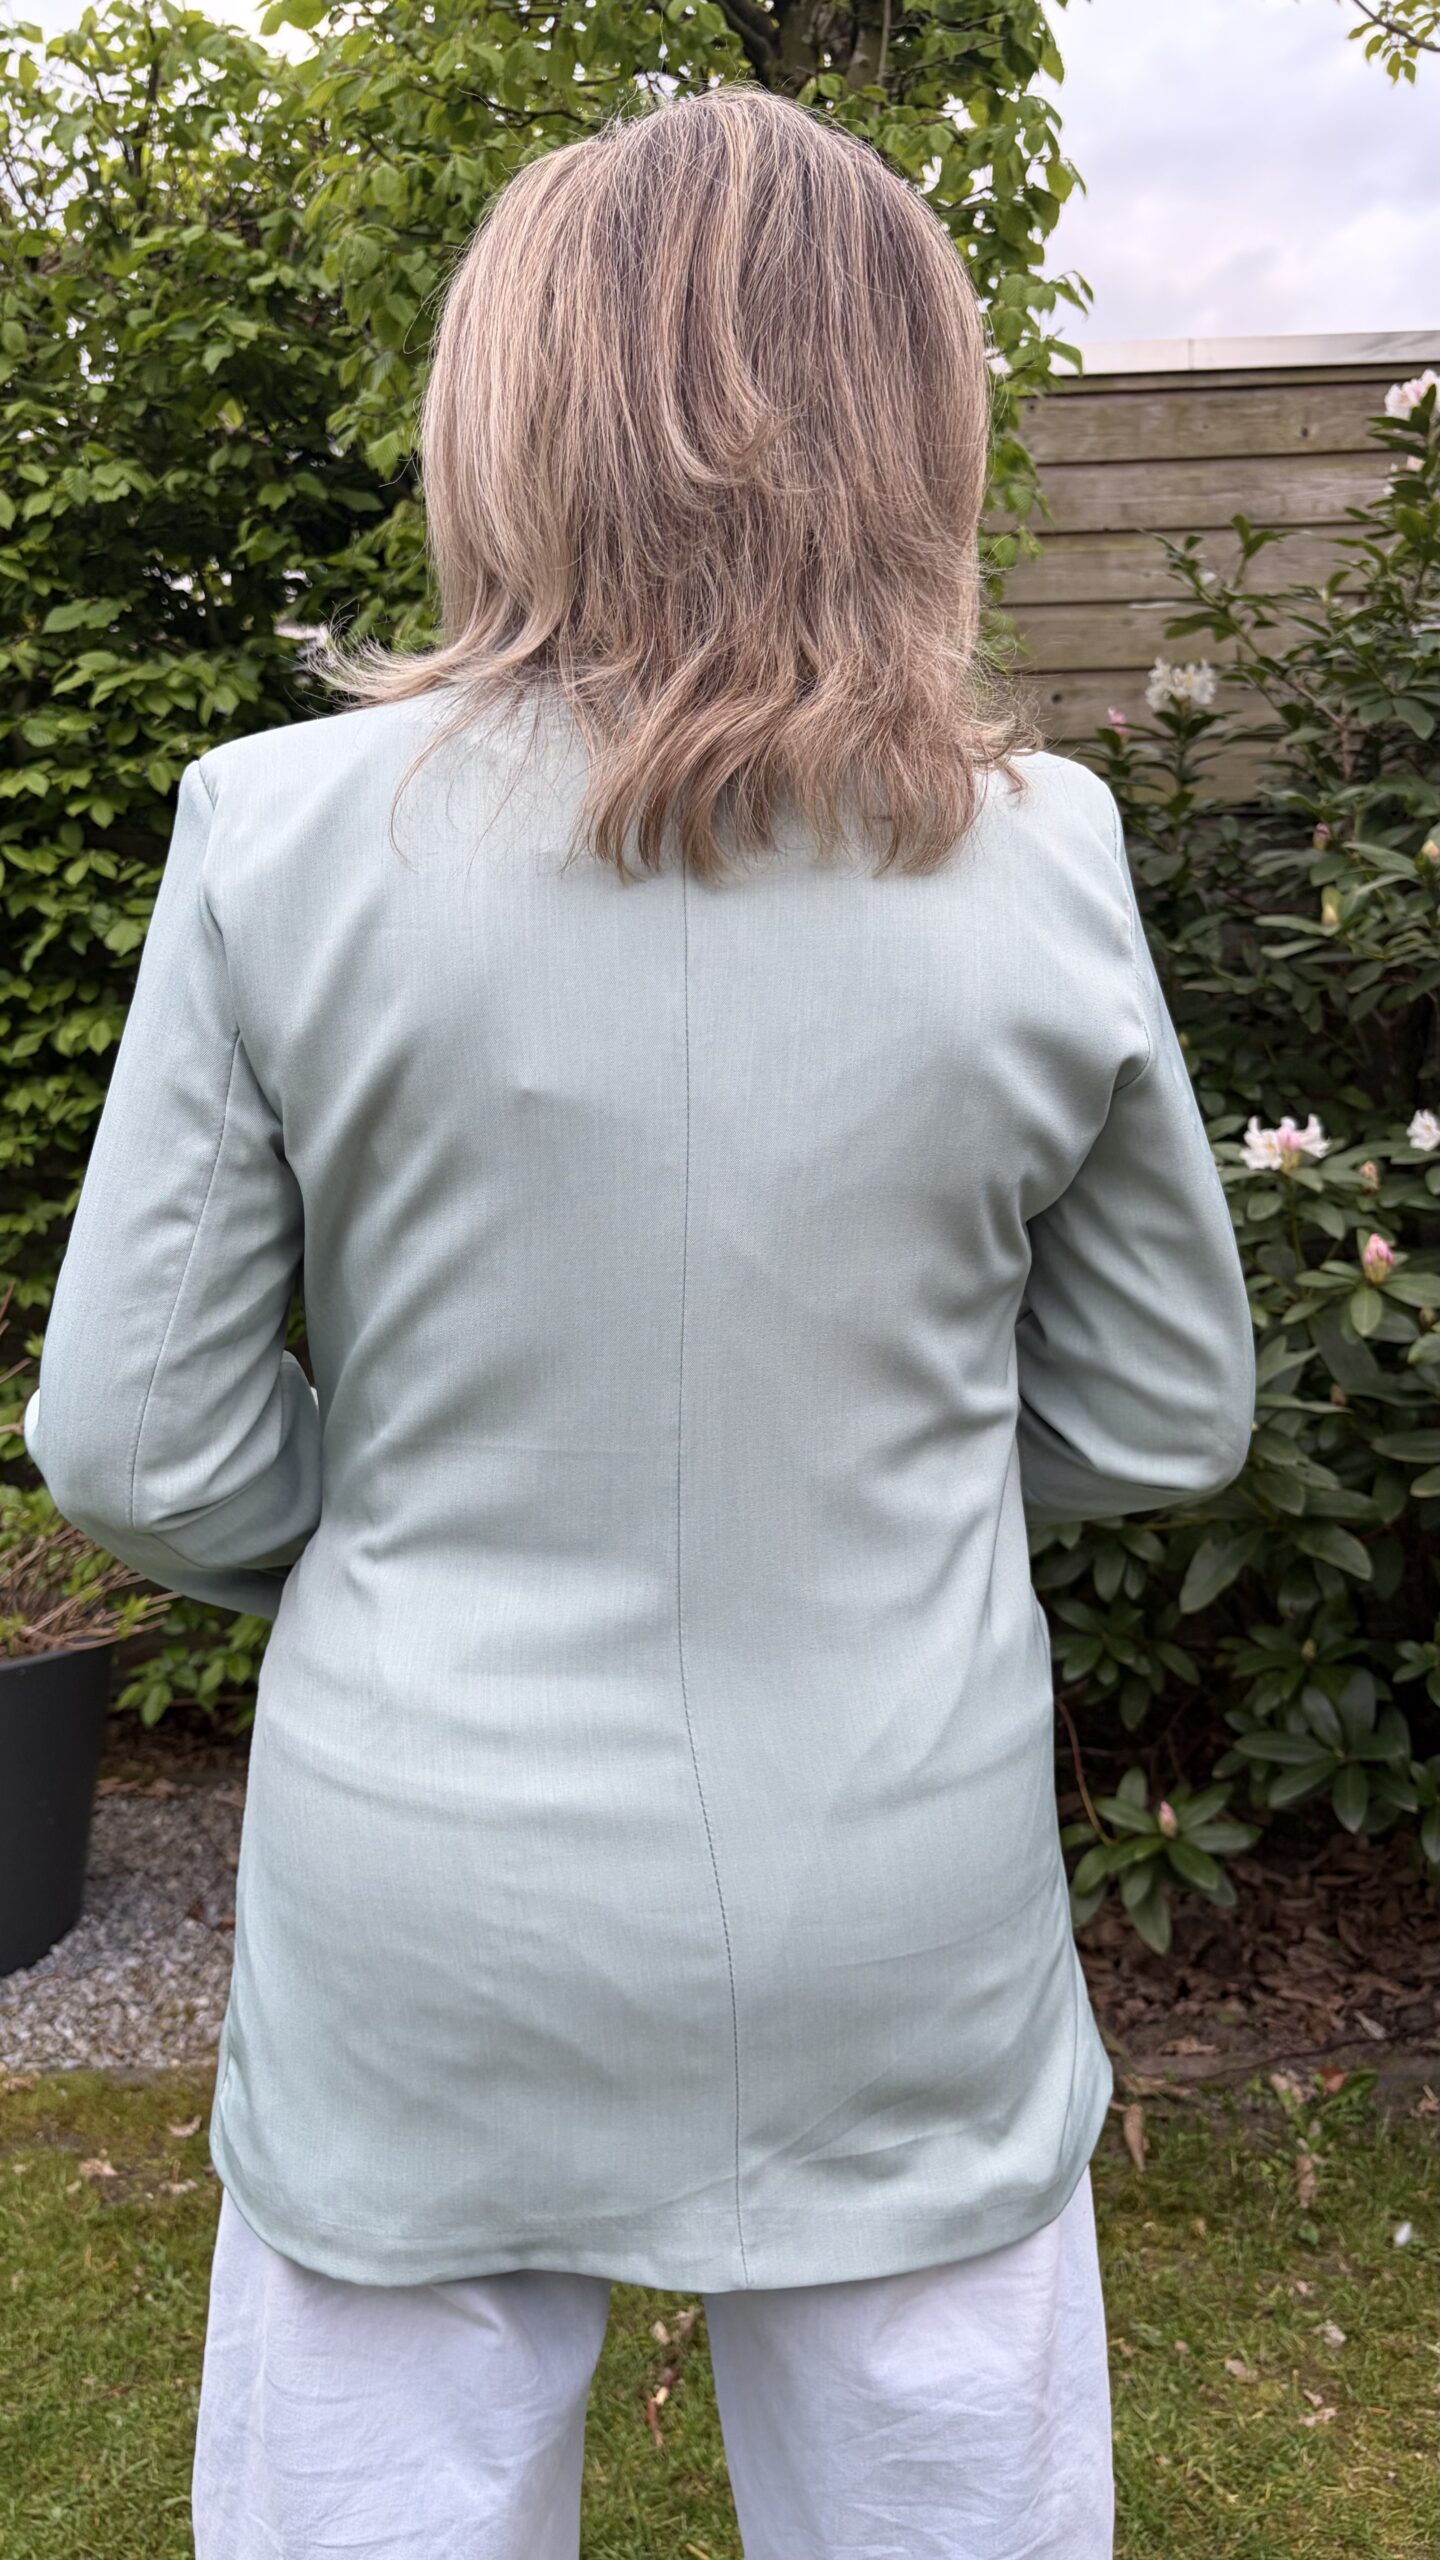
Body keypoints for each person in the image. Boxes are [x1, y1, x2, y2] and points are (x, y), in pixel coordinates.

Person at [24, 82, 1255, 2560]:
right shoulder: (1043, 855)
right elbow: (1161, 1402)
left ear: (507, 407)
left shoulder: (281, 831)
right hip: (897, 1902)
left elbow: (139, 1443)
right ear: (917, 424)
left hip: (426, 1903)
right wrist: (865, 1489)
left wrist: (393, 1531)